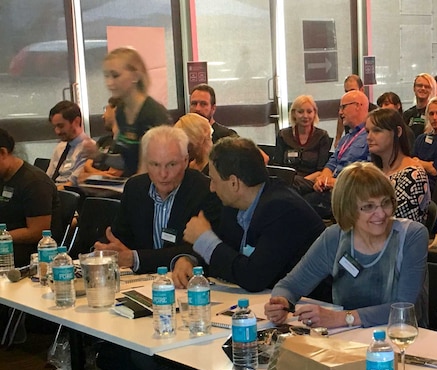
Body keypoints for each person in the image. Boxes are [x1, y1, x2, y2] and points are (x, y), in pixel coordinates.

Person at [264, 161, 428, 370]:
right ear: (347, 210)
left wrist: (343, 319)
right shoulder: (335, 238)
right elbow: (291, 284)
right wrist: (280, 301)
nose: (380, 214)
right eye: (368, 207)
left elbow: (404, 308)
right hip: (344, 353)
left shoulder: (412, 236)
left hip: (402, 350)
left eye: (385, 204)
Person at [173, 137, 324, 293]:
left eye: (213, 180)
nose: (211, 188)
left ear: (234, 183)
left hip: (310, 306)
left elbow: (254, 277)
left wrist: (203, 240)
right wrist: (190, 260)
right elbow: (225, 254)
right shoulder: (233, 206)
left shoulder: (283, 209)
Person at [94, 126, 221, 272]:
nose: (163, 174)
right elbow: (119, 237)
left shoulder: (206, 191)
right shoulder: (135, 188)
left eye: (171, 165)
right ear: (146, 162)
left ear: (185, 161)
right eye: (155, 165)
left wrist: (135, 258)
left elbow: (198, 250)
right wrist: (104, 249)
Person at [101, 47, 171, 176]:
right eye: (106, 76)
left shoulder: (153, 114)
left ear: (135, 76)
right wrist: (99, 157)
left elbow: (154, 168)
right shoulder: (121, 111)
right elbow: (127, 161)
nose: (109, 83)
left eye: (115, 75)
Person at [305, 90, 369, 219]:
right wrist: (323, 178)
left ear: (358, 106)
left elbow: (367, 174)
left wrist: (335, 182)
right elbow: (332, 162)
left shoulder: (370, 136)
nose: (340, 113)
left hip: (349, 195)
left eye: (343, 107)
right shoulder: (346, 138)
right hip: (329, 191)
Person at [0, 128, 57, 266]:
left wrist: (2, 238)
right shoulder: (3, 177)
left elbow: (37, 232)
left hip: (28, 251)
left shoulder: (34, 182)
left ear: (3, 153)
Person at [366, 108, 430, 223]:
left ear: (398, 132)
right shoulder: (374, 171)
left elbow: (398, 223)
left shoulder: (413, 175)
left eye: (376, 131)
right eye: (368, 131)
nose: (369, 137)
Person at [273, 95, 333, 180]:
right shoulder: (283, 135)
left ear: (314, 113)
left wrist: (302, 181)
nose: (305, 116)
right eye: (300, 112)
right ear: (294, 114)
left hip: (311, 182)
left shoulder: (322, 136)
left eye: (309, 112)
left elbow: (322, 170)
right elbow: (277, 166)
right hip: (287, 182)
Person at [45, 100, 94, 187]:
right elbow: (48, 178)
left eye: (61, 126)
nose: (57, 131)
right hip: (53, 192)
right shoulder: (60, 147)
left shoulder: (89, 148)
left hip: (67, 194)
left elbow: (72, 184)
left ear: (76, 122)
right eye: (55, 127)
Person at [403, 73, 436, 139]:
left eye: (427, 86)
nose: (423, 88)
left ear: (431, 90)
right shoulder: (407, 114)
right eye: (419, 85)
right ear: (414, 88)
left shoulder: (434, 113)